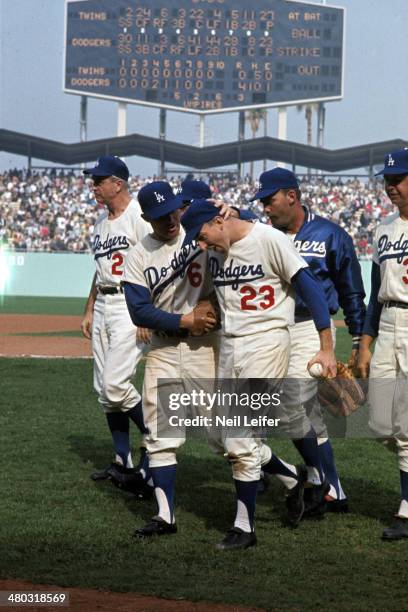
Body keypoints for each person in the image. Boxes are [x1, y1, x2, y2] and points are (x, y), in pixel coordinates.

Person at [181, 199, 337, 543]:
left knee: (240, 437)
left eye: (203, 235)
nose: (201, 244)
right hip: (232, 345)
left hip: (267, 341)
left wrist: (326, 345)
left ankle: (244, 526)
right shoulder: (214, 253)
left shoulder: (268, 239)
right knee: (224, 436)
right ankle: (295, 479)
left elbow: (309, 287)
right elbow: (209, 294)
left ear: (219, 220)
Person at [250, 167, 366, 513]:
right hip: (272, 329)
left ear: (292, 196)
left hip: (310, 330)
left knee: (299, 404)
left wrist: (359, 340)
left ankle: (325, 485)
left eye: (270, 201)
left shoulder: (330, 234)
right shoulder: (265, 236)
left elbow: (351, 291)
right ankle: (323, 484)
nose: (266, 209)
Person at [122, 182, 225, 542]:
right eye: (160, 215)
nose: (169, 219)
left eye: (173, 211)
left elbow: (229, 272)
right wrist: (184, 321)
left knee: (224, 432)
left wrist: (212, 306)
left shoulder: (199, 236)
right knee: (160, 435)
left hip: (205, 348)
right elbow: (139, 310)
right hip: (164, 349)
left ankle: (288, 475)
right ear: (146, 218)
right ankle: (164, 515)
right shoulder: (139, 254)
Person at [80, 155, 151, 494]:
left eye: (99, 180)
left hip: (128, 304)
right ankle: (122, 459)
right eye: (93, 180)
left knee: (115, 385)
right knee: (104, 393)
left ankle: (155, 435)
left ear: (118, 183)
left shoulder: (139, 216)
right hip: (105, 304)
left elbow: (155, 264)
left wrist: (146, 312)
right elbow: (99, 270)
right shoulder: (101, 223)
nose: (94, 186)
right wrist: (89, 307)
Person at [357, 148, 408, 540]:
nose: (391, 187)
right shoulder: (384, 229)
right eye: (388, 181)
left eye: (398, 179)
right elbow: (375, 292)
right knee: (378, 424)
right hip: (388, 321)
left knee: (405, 427)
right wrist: (365, 343)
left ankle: (406, 510)